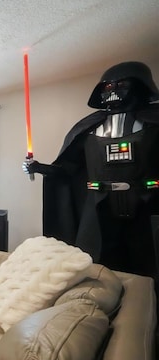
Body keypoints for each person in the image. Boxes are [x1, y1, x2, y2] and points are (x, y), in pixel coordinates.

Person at [23, 61, 159, 282]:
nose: (113, 91)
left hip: (148, 204)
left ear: (141, 85)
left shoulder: (154, 123)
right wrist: (39, 168)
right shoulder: (89, 127)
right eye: (107, 87)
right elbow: (68, 169)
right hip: (99, 205)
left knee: (148, 264)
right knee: (97, 264)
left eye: (121, 84)